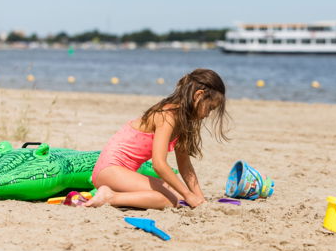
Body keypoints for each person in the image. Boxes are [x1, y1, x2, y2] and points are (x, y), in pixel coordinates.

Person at [84, 68, 228, 210]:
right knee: (170, 199)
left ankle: (114, 195)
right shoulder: (167, 117)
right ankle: (110, 197)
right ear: (198, 95)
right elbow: (158, 164)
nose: (208, 114)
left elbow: (185, 165)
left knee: (176, 194)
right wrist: (187, 194)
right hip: (110, 171)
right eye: (210, 108)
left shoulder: (183, 121)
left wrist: (199, 198)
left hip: (124, 173)